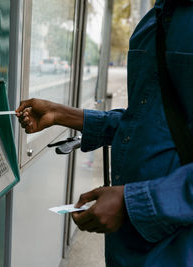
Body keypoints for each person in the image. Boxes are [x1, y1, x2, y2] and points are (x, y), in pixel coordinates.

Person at [16, 0, 193, 266]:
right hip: (130, 247)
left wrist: (132, 203)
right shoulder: (152, 22)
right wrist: (62, 114)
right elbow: (148, 123)